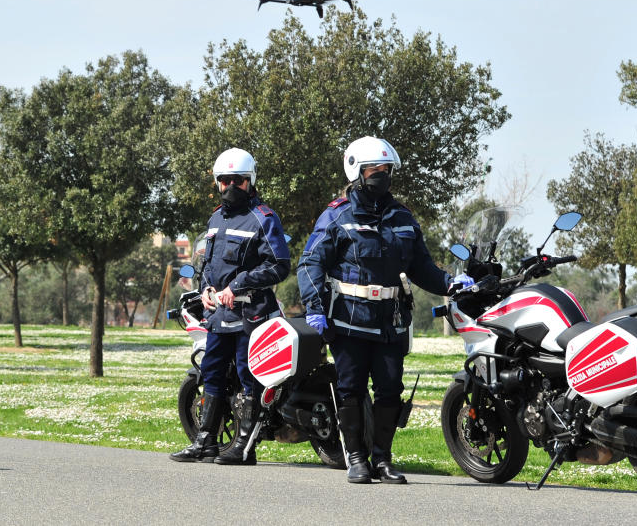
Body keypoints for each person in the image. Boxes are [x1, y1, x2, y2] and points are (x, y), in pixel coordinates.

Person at [297, 136, 453, 484]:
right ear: (356, 171)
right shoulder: (336, 215)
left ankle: (382, 459)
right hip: (349, 321)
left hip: (391, 322)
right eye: (373, 170)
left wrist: (453, 284)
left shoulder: (402, 217)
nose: (380, 176)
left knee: (389, 390)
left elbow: (423, 268)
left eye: (386, 170)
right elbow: (310, 264)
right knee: (350, 388)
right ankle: (356, 458)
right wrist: (315, 307)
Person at [170, 148, 291, 465]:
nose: (231, 186)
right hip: (219, 314)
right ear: (217, 182)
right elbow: (207, 264)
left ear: (250, 182)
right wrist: (207, 289)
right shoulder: (215, 219)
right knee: (211, 372)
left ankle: (244, 445)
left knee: (246, 376)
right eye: (225, 180)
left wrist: (237, 286)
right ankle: (206, 441)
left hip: (252, 314)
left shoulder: (263, 218)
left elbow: (279, 265)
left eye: (238, 180)